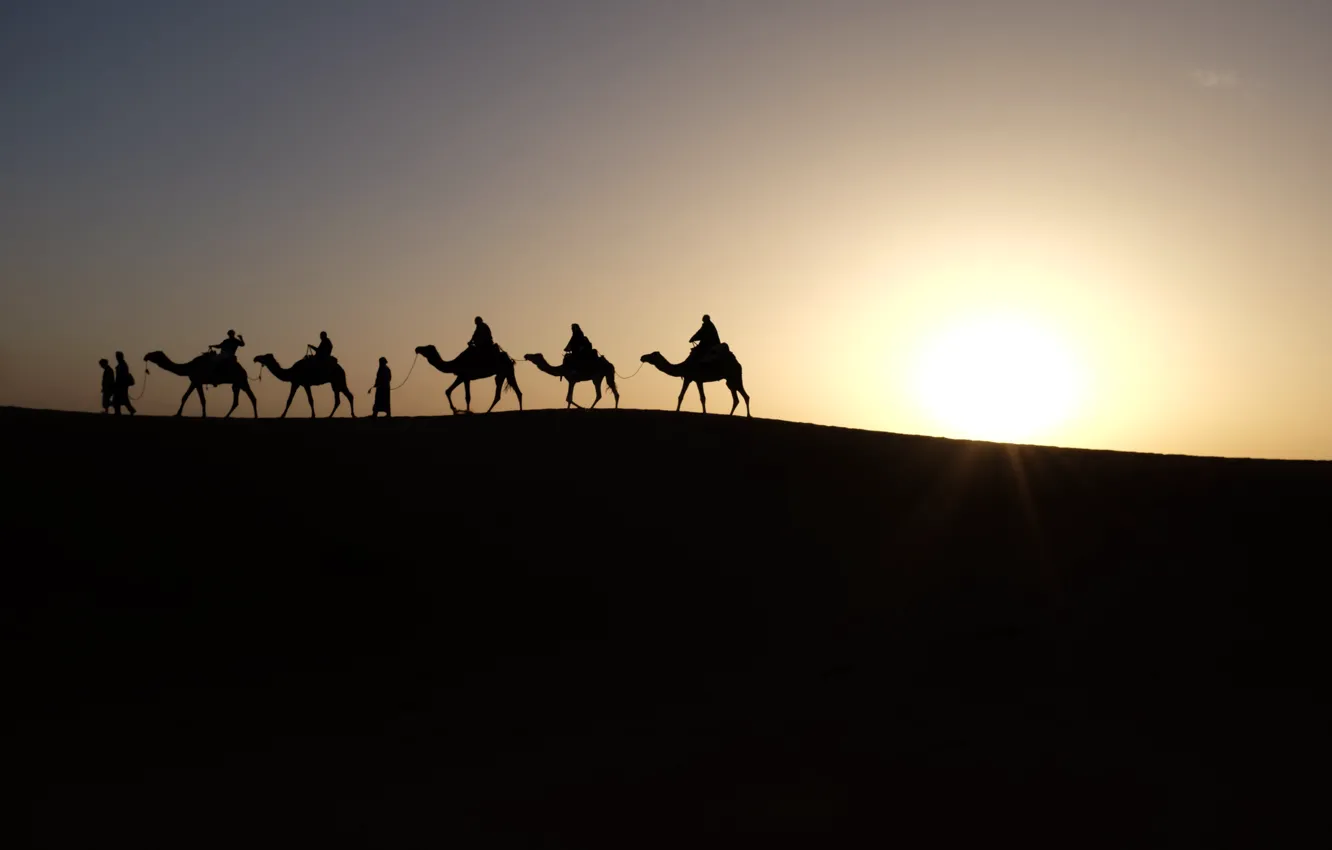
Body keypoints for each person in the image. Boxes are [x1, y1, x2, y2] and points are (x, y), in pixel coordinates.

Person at [112, 351, 136, 416]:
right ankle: (120, 412)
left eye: (117, 356)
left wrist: (117, 383)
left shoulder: (123, 365)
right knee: (122, 399)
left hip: (121, 385)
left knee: (120, 399)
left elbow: (122, 376)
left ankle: (120, 412)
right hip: (121, 385)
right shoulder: (122, 365)